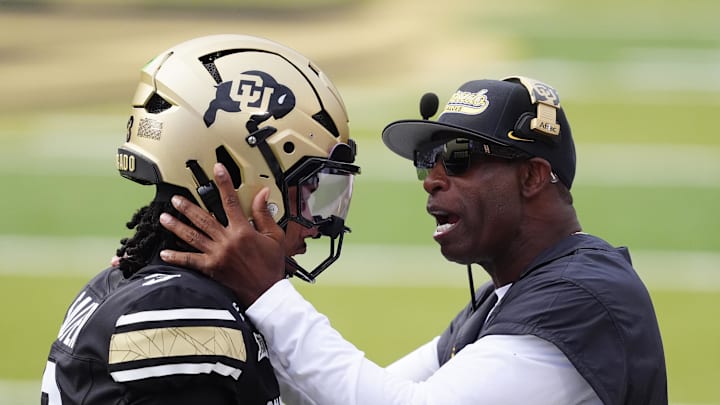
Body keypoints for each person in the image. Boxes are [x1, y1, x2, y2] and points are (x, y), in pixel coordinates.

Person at [158, 76, 668, 404]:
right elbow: (341, 396)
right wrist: (228, 304)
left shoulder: (579, 298)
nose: (432, 179)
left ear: (534, 177)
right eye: (429, 161)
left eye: (460, 158)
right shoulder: (507, 298)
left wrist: (267, 293)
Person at [41, 34, 360, 404]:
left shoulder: (117, 283)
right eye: (308, 188)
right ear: (244, 177)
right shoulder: (182, 311)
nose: (320, 226)